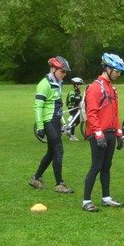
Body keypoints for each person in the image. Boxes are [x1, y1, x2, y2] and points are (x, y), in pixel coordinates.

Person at [82, 53, 124, 212]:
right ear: (107, 68)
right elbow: (91, 113)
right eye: (117, 71)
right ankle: (86, 201)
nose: (119, 74)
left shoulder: (112, 89)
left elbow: (115, 114)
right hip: (98, 134)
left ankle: (106, 197)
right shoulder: (95, 87)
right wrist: (98, 134)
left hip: (110, 133)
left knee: (107, 166)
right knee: (96, 166)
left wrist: (119, 133)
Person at [29, 56, 74, 194]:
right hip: (48, 121)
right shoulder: (44, 84)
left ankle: (36, 178)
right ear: (53, 69)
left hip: (55, 121)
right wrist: (41, 127)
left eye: (66, 72)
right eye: (62, 71)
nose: (64, 74)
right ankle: (59, 184)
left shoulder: (58, 82)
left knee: (51, 152)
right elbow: (38, 107)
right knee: (58, 150)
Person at [66, 77, 84, 141]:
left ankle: (69, 129)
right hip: (72, 108)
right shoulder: (72, 91)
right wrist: (79, 99)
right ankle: (72, 136)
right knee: (74, 121)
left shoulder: (78, 91)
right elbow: (71, 98)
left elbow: (81, 98)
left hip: (76, 108)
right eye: (79, 84)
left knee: (78, 121)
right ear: (76, 85)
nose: (80, 86)